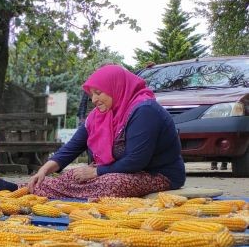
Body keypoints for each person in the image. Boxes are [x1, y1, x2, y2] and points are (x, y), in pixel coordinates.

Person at [27, 64, 185, 199]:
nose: (94, 99)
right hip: (118, 171)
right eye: (91, 95)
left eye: (98, 93)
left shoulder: (144, 110)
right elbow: (72, 147)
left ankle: (41, 191)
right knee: (72, 175)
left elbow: (136, 160)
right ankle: (27, 187)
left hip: (158, 175)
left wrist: (97, 172)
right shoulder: (99, 115)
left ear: (115, 87)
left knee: (111, 184)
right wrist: (44, 170)